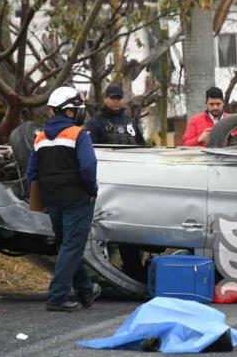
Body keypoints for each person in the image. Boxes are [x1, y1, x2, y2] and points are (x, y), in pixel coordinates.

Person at [26, 86, 102, 312]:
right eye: (77, 109)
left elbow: (32, 173)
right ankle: (57, 296)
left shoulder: (39, 138)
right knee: (72, 245)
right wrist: (92, 190)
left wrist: (41, 200)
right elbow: (88, 166)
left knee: (68, 246)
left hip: (53, 201)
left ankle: (85, 291)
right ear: (69, 112)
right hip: (78, 198)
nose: (80, 113)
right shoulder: (78, 135)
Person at [84, 83, 147, 282]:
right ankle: (100, 273)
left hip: (132, 182)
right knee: (106, 229)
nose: (116, 101)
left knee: (131, 229)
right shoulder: (96, 123)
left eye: (118, 97)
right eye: (112, 97)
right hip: (107, 184)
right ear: (105, 98)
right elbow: (88, 152)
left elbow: (142, 146)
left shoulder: (130, 121)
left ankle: (133, 270)